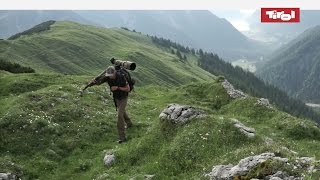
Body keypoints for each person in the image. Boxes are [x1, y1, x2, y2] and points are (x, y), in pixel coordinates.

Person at [91, 66, 133, 143]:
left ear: (115, 73)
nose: (109, 77)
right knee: (122, 111)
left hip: (124, 97)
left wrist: (117, 88)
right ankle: (129, 123)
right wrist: (94, 82)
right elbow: (99, 82)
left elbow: (128, 89)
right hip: (116, 97)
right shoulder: (108, 77)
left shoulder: (121, 77)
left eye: (111, 75)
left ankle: (122, 138)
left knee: (119, 115)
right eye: (108, 76)